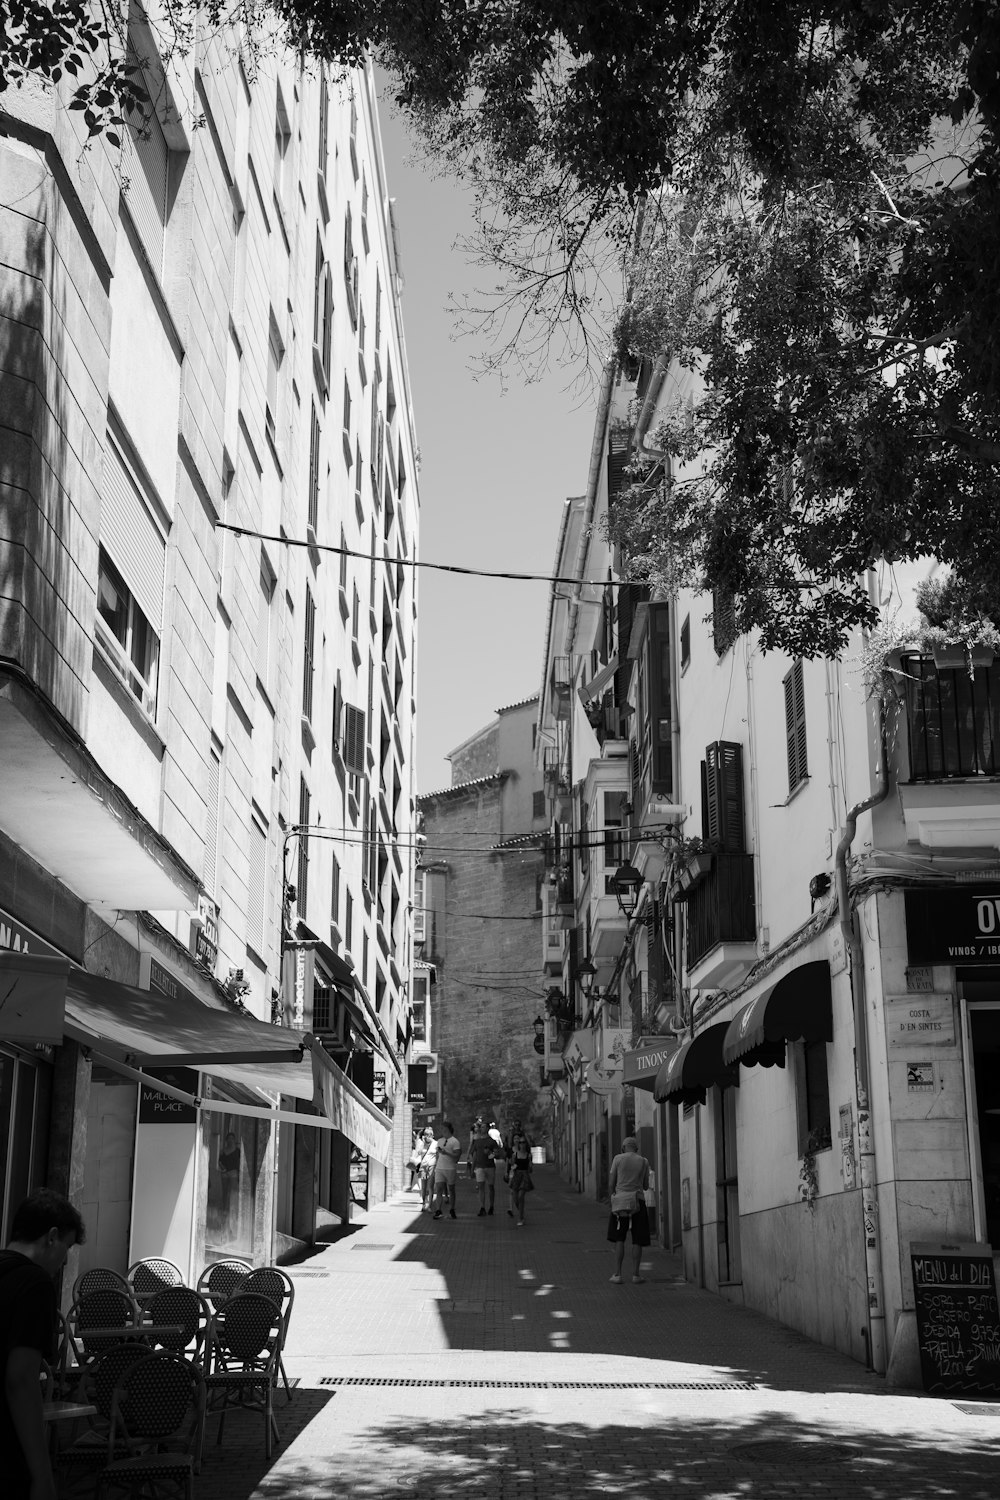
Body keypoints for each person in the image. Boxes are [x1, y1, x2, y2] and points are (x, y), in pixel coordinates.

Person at [1, 1189, 86, 1500]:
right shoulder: (34, 1283)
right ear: (52, 1237)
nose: (64, 1260)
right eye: (66, 1248)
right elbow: (21, 1378)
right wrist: (41, 1472)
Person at [607, 1135, 651, 1284]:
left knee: (619, 1238)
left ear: (623, 1148)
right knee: (637, 1239)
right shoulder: (643, 1161)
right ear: (636, 1149)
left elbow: (611, 1183)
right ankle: (636, 1275)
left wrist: (613, 1197)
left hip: (620, 1203)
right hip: (638, 1202)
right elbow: (645, 1186)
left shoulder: (617, 1159)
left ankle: (618, 1274)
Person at [467, 1121, 501, 1216]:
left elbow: (497, 1154)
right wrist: (472, 1167)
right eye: (481, 1127)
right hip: (479, 1167)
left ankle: (491, 1206)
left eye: (483, 1127)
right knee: (481, 1187)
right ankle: (482, 1207)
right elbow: (474, 1155)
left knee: (491, 1187)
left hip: (490, 1167)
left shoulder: (492, 1141)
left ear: (487, 1129)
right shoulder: (477, 1141)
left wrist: (490, 1153)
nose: (481, 1129)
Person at [432, 1121, 462, 1219]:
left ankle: (452, 1209)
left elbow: (457, 1156)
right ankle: (438, 1210)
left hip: (450, 1168)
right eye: (441, 1129)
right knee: (439, 1188)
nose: (442, 1130)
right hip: (440, 1168)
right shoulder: (439, 1141)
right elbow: (437, 1154)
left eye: (444, 1128)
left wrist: (446, 1153)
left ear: (448, 1129)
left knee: (451, 1189)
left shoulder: (455, 1141)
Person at [507, 1126, 534, 1226]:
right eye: (520, 1143)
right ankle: (521, 1212)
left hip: (524, 1175)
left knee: (521, 1196)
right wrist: (510, 1170)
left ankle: (520, 1217)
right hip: (516, 1175)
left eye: (523, 1143)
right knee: (515, 1198)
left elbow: (530, 1170)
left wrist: (531, 1165)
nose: (522, 1144)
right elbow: (512, 1165)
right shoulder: (515, 1154)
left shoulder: (528, 1155)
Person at [219, 1131, 240, 1221]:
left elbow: (240, 1162)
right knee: (225, 1192)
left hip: (233, 1173)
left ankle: (233, 1212)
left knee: (233, 1194)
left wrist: (239, 1173)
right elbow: (219, 1161)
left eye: (232, 1138)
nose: (230, 1140)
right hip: (225, 1174)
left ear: (234, 1140)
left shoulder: (238, 1151)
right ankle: (224, 1210)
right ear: (226, 1140)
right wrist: (222, 1168)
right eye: (229, 1138)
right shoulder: (223, 1151)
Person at [418, 1130, 438, 1212]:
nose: (427, 1136)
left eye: (429, 1134)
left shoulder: (436, 1143)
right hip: (423, 1167)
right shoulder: (422, 1143)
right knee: (423, 1187)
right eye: (426, 1134)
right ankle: (423, 1204)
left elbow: (438, 1154)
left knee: (430, 1186)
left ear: (432, 1135)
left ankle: (430, 1205)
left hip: (432, 1167)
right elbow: (418, 1152)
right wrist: (422, 1144)